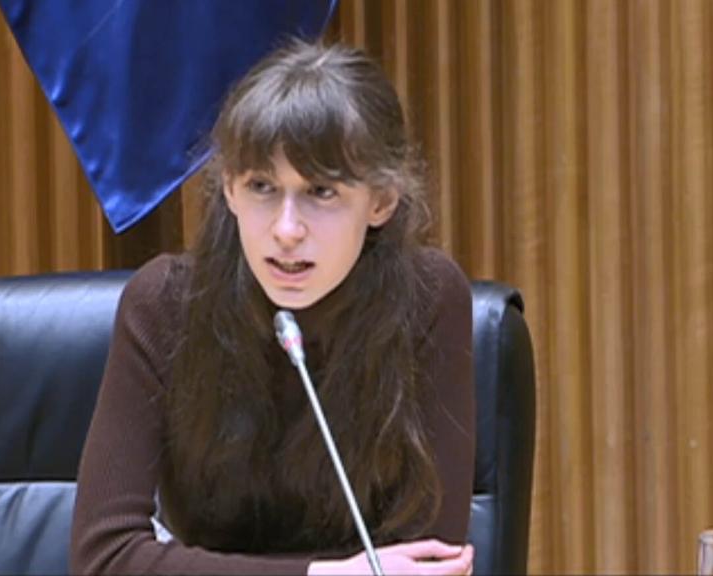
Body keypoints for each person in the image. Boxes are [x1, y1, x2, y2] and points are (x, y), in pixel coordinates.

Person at [70, 39, 475, 576]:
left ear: (380, 201)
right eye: (262, 186)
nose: (286, 230)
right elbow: (104, 557)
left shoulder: (427, 300)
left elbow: (427, 563)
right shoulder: (166, 307)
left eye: (322, 192)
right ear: (230, 192)